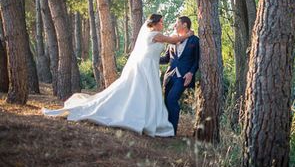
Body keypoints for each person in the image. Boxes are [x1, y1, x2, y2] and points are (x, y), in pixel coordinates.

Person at [42, 14, 191, 137]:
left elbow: (170, 40)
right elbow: (173, 40)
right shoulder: (155, 34)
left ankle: (145, 118)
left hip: (149, 67)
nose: (163, 25)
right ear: (155, 23)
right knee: (138, 92)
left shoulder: (154, 34)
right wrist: (189, 34)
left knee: (143, 94)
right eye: (161, 22)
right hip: (144, 68)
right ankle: (138, 118)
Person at [159, 16, 199, 135]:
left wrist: (191, 73)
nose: (174, 26)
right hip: (169, 76)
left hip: (183, 77)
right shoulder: (172, 39)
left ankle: (172, 132)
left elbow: (197, 60)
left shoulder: (195, 41)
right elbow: (166, 59)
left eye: (176, 24)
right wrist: (151, 58)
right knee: (166, 101)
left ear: (185, 25)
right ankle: (165, 129)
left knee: (172, 100)